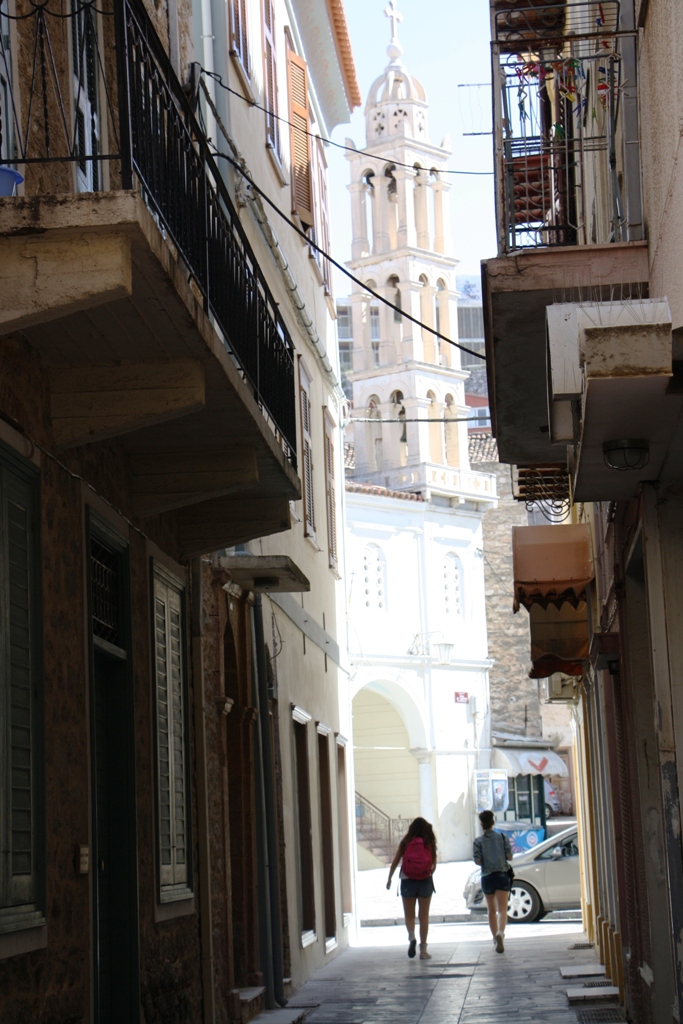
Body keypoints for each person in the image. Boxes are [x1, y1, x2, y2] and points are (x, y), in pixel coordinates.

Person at [386, 817, 437, 960]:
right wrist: (424, 872)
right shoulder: (429, 843)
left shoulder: (406, 842)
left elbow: (395, 861)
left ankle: (412, 936)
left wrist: (389, 878)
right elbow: (433, 867)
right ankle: (424, 950)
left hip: (407, 880)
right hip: (425, 881)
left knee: (409, 915)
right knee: (424, 915)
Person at [473, 809, 512, 953]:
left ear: (481, 823)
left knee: (491, 910)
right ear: (493, 822)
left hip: (487, 876)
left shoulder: (478, 841)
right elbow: (510, 857)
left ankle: (495, 940)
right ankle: (500, 932)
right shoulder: (502, 838)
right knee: (502, 909)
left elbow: (477, 861)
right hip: (501, 875)